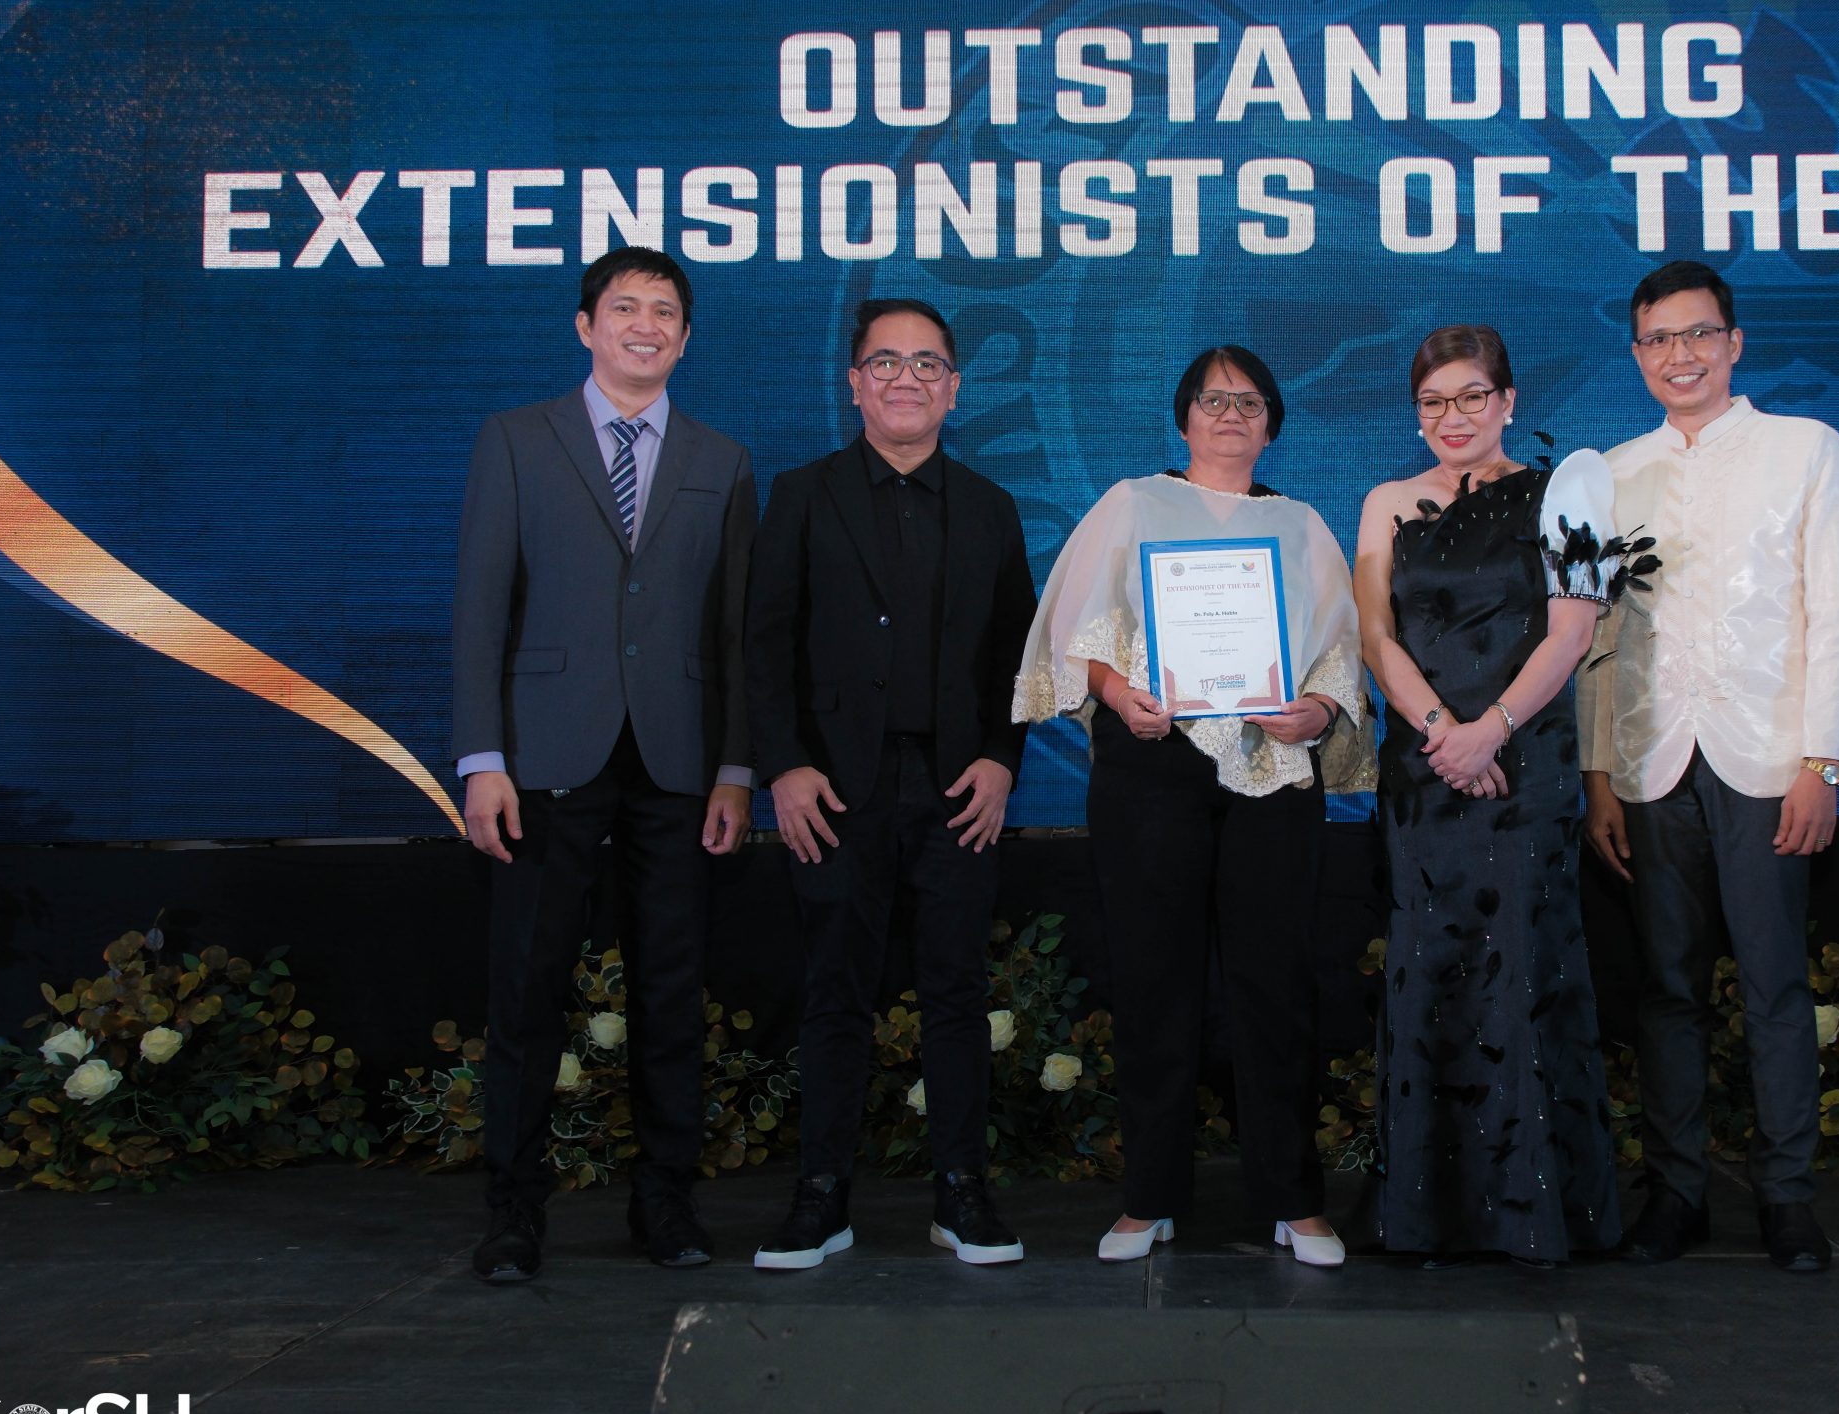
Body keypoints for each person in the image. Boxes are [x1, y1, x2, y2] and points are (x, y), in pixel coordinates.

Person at [1016, 345, 1371, 1267]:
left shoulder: (1300, 523)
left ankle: (1294, 1199)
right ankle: (1149, 1197)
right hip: (1151, 765)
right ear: (1182, 417)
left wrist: (1319, 709)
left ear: (1272, 423)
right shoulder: (1132, 503)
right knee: (1151, 982)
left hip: (1272, 772)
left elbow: (1339, 650)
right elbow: (1080, 631)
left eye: (1250, 402)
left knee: (1277, 987)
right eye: (1214, 400)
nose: (1230, 415)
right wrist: (1116, 691)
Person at [452, 245, 756, 1284]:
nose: (644, 325)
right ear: (585, 326)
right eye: (624, 307)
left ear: (686, 337)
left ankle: (664, 1201)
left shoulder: (723, 458)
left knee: (671, 990)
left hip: (680, 761)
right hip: (543, 754)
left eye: (664, 311)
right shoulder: (515, 438)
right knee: (527, 987)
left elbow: (734, 634)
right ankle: (513, 1211)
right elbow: (480, 608)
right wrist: (482, 757)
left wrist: (736, 769)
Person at [1579, 259, 1839, 1274]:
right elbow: (1596, 638)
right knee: (1666, 988)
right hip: (1650, 759)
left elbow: (1834, 612)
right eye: (1659, 339)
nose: (1681, 355)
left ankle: (1787, 1197)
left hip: (1768, 758)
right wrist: (1598, 773)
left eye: (1698, 334)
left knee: (1775, 984)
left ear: (1734, 343)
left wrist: (1823, 761)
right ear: (1637, 354)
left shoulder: (1804, 449)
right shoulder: (1611, 474)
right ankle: (1678, 1192)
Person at [744, 297, 1036, 1270]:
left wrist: (1001, 757)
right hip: (833, 788)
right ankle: (820, 1197)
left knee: (955, 991)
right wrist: (784, 766)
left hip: (959, 788)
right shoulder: (802, 494)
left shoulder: (991, 507)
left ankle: (963, 1192)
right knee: (834, 991)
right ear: (854, 383)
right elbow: (764, 644)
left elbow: (1017, 654)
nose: (905, 378)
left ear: (954, 389)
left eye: (926, 365)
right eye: (885, 363)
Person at [1354, 324, 1627, 1266]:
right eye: (1434, 402)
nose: (1454, 417)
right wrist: (1444, 733)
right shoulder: (1386, 501)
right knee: (1427, 970)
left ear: (1508, 400)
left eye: (1473, 396)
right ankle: (1424, 1214)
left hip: (1526, 769)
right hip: (1425, 776)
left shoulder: (1567, 492)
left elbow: (1571, 633)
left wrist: (1492, 729)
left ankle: (1533, 1213)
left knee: (1522, 970)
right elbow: (1376, 636)